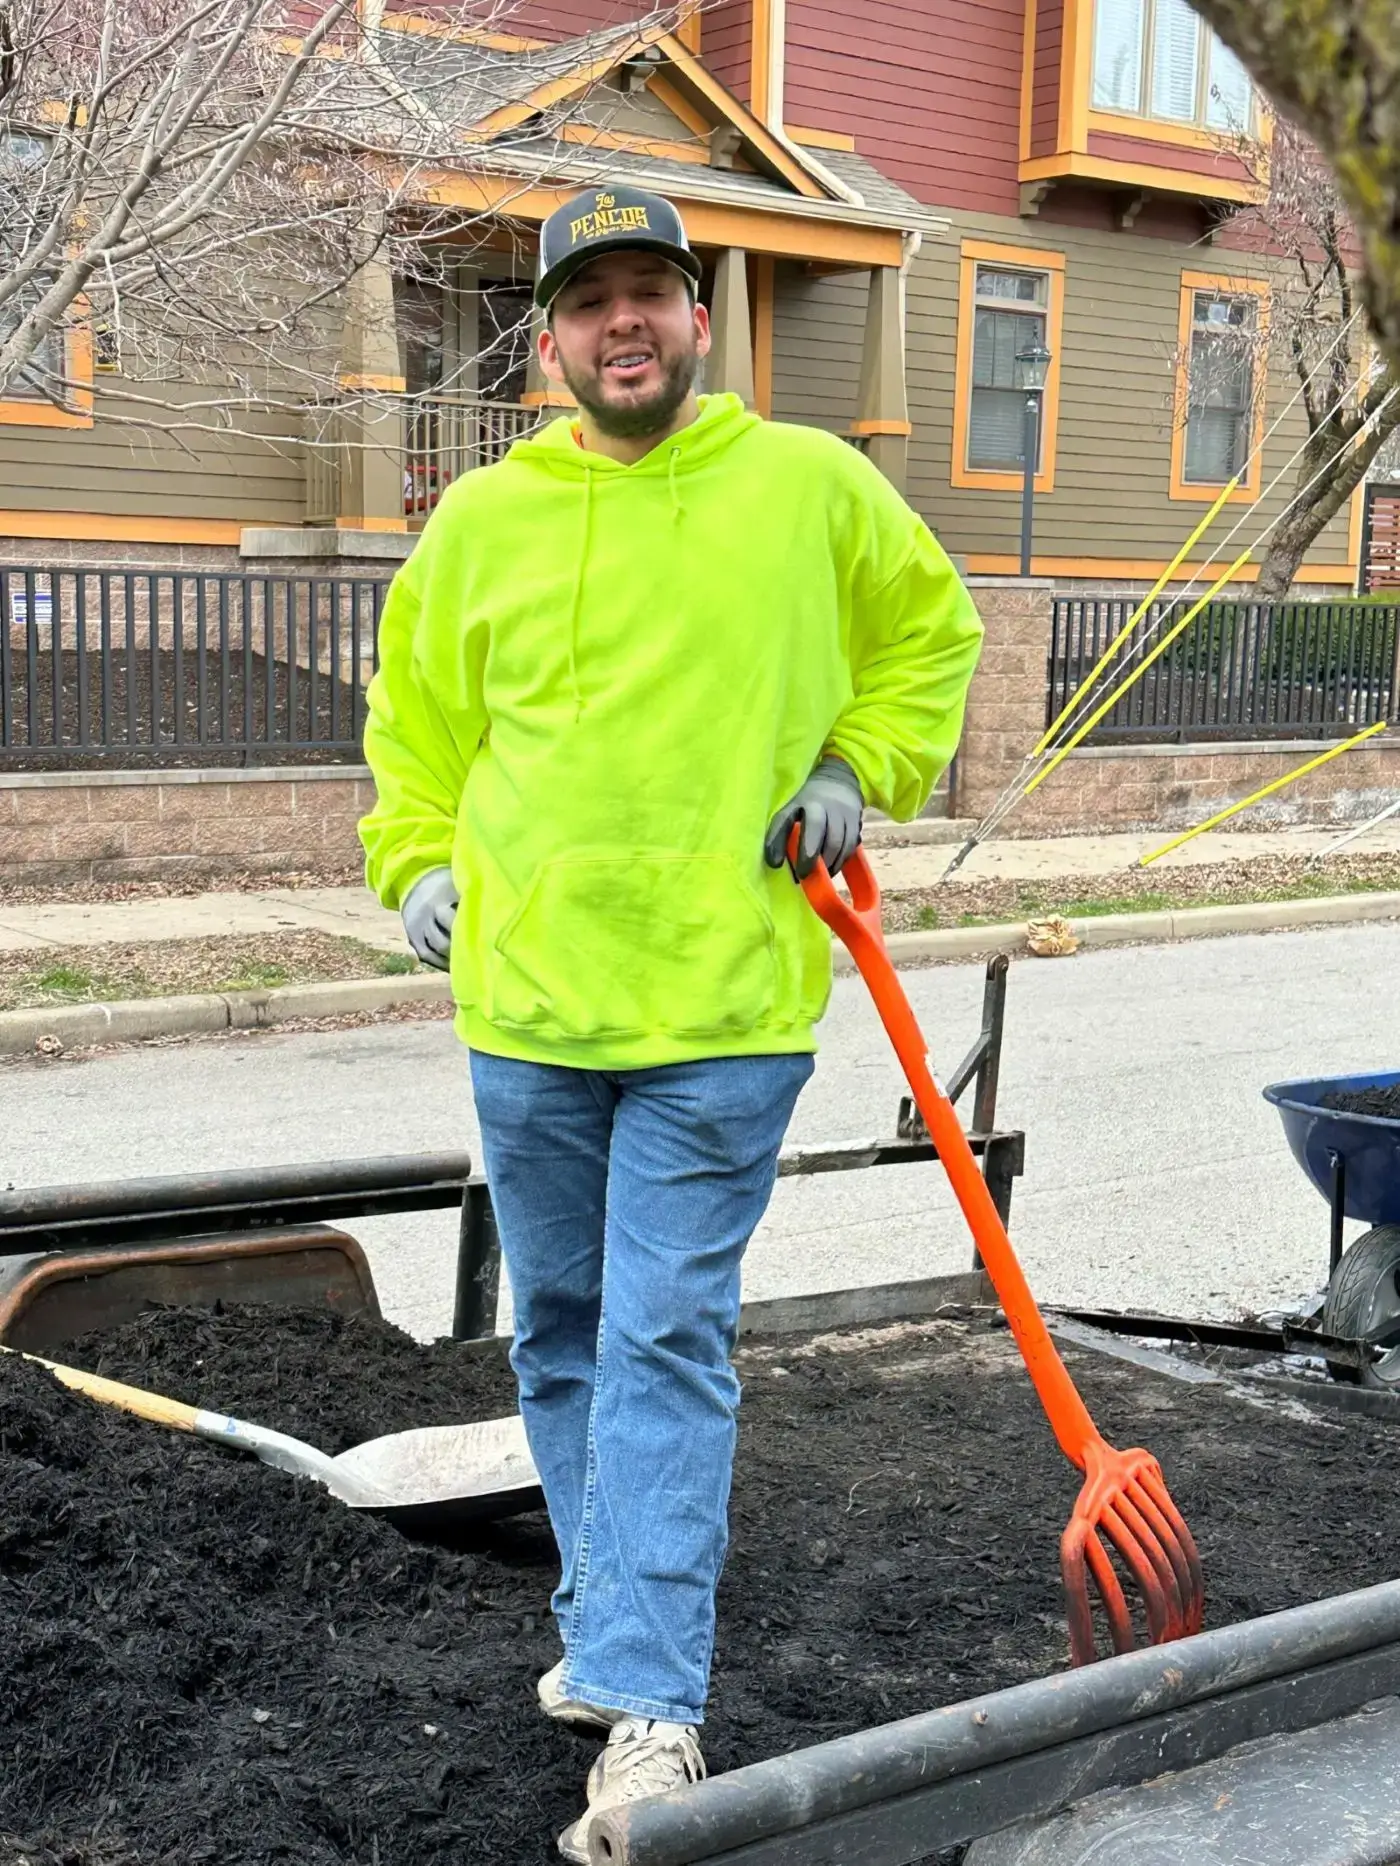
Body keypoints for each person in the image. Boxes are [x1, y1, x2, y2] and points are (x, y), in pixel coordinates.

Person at [359, 182, 983, 1860]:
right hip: (532, 1004)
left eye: (652, 292)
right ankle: (609, 1618)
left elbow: (933, 635)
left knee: (659, 1333)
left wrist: (858, 767)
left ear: (700, 320)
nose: (621, 323)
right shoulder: (483, 521)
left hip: (723, 999)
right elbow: (413, 723)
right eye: (589, 302)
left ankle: (650, 1702)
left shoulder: (809, 488)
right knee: (557, 1329)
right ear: (548, 339)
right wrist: (415, 861)